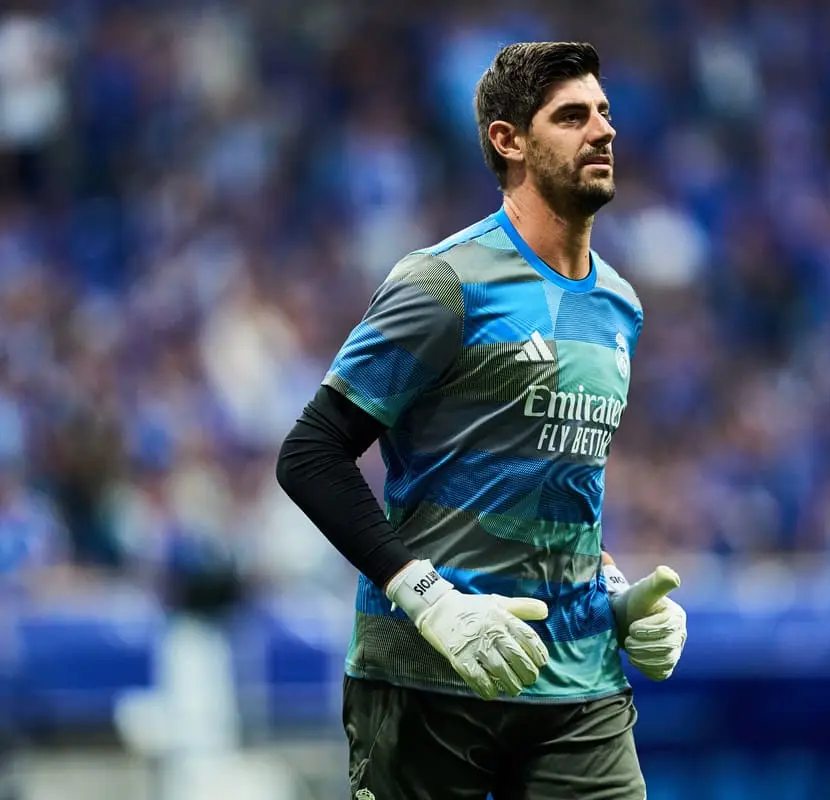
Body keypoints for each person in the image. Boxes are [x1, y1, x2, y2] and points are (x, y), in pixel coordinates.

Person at [276, 41, 688, 800]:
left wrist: (614, 595)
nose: (603, 131)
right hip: (428, 679)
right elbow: (310, 454)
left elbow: (554, 487)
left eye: (604, 113)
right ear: (510, 142)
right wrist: (429, 600)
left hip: (577, 684)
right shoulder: (445, 283)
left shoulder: (620, 306)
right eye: (571, 117)